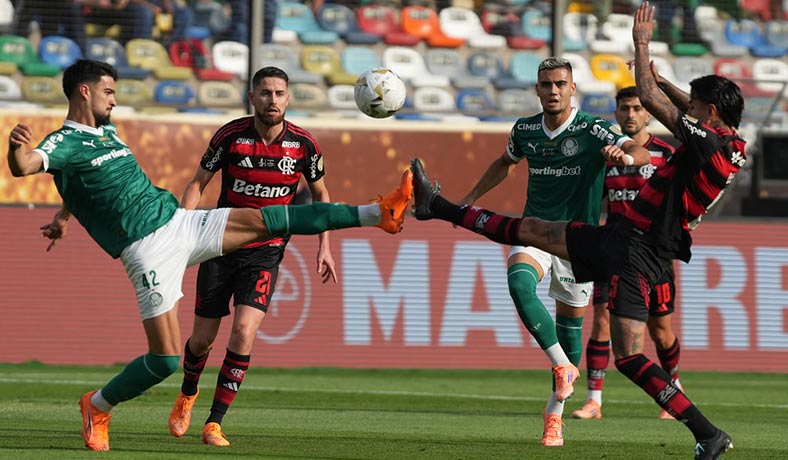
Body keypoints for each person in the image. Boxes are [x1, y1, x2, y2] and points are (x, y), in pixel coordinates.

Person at [6, 59, 413, 452]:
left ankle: (380, 212)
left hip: (180, 221)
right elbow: (26, 166)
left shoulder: (107, 132)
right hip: (146, 251)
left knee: (269, 220)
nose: (113, 100)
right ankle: (98, 406)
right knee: (164, 360)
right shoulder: (64, 141)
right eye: (108, 92)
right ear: (84, 91)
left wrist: (64, 215)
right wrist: (15, 149)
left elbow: (86, 184)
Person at [409, 3, 745, 458]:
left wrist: (642, 46)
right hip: (631, 242)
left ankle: (706, 431)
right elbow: (690, 109)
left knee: (628, 352)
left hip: (637, 250)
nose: (689, 107)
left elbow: (648, 101)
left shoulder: (707, 143)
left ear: (708, 111)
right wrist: (668, 82)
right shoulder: (730, 142)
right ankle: (437, 205)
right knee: (532, 231)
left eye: (695, 102)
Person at [455, 57, 650, 447]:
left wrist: (624, 157)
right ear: (538, 89)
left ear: (573, 88)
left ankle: (554, 415)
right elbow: (504, 163)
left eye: (561, 83)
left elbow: (639, 151)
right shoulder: (525, 129)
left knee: (570, 328)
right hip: (534, 230)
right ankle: (562, 366)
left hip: (577, 241)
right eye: (546, 84)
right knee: (519, 283)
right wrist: (469, 200)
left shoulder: (594, 128)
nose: (553, 90)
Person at [166, 66, 335, 446]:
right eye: (265, 93)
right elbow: (198, 184)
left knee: (244, 331)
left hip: (266, 252)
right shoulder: (230, 136)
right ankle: (187, 393)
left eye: (279, 94)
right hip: (219, 245)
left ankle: (214, 423)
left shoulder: (304, 145)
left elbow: (322, 196)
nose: (272, 100)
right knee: (201, 341)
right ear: (252, 97)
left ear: (288, 99)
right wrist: (183, 227)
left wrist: (325, 244)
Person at [571, 86, 683, 421]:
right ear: (616, 113)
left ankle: (673, 391)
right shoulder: (608, 155)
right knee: (602, 320)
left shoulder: (666, 154)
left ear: (648, 113)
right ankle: (594, 401)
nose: (630, 114)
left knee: (660, 330)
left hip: (654, 256)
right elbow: (592, 201)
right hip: (614, 250)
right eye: (624, 109)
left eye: (636, 108)